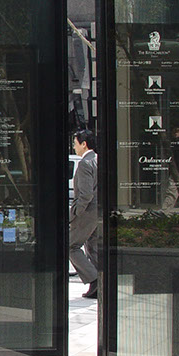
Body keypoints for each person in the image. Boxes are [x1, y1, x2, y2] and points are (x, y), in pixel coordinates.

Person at [69, 128, 98, 299]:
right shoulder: (98, 160)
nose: (74, 147)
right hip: (98, 212)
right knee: (93, 247)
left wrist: (76, 213)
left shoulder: (85, 163)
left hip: (87, 213)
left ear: (84, 144)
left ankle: (94, 279)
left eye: (75, 144)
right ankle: (98, 285)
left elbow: (86, 194)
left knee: (71, 246)